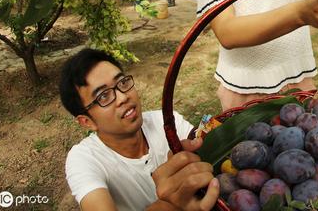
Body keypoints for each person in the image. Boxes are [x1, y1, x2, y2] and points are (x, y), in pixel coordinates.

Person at [59, 48, 219, 210]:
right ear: (86, 122)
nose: (123, 97)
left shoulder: (167, 122)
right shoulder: (85, 160)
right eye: (103, 96)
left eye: (122, 83)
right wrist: (169, 204)